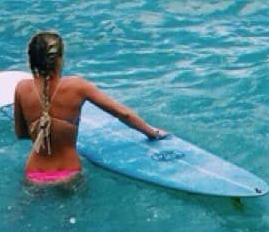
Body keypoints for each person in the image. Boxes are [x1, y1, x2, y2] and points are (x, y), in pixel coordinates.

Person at [11, 30, 165, 185]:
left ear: (31, 59)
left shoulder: (21, 88)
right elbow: (123, 114)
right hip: (68, 172)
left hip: (34, 173)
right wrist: (152, 133)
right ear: (59, 59)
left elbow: (21, 133)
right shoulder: (77, 86)